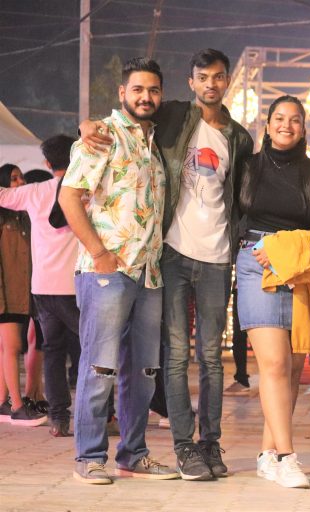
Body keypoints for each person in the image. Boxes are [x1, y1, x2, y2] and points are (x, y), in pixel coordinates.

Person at [81, 48, 254, 481]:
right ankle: (179, 448)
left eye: (218, 77)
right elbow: (125, 114)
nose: (211, 84)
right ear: (191, 82)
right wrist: (87, 125)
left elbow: (241, 196)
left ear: (227, 81)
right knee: (168, 356)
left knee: (203, 358)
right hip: (170, 255)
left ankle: (206, 443)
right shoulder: (174, 116)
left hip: (206, 259)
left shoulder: (239, 137)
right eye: (202, 77)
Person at [59, 57, 178, 484]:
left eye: (153, 90)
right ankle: (89, 457)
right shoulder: (103, 136)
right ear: (122, 93)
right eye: (138, 90)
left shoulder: (154, 141)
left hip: (149, 275)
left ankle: (133, 454)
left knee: (143, 373)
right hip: (107, 271)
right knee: (100, 368)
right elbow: (69, 197)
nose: (146, 97)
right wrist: (99, 253)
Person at [237, 95, 310, 488]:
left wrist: (285, 249)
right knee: (275, 364)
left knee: (293, 369)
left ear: (303, 128)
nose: (286, 125)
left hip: (300, 271)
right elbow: (230, 214)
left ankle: (267, 455)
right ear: (267, 125)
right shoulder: (247, 168)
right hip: (256, 264)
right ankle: (287, 456)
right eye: (279, 118)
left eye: (295, 119)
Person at [0, 135, 82, 436]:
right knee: (87, 351)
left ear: (47, 163)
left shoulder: (34, 192)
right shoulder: (84, 189)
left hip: (42, 288)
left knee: (53, 351)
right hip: (75, 287)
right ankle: (97, 415)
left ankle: (59, 419)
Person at [0, 164, 46, 427]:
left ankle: (4, 401)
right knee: (13, 347)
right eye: (13, 179)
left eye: (21, 178)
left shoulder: (24, 217)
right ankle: (17, 406)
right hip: (5, 295)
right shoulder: (3, 218)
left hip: (21, 294)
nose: (19, 183)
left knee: (6, 348)